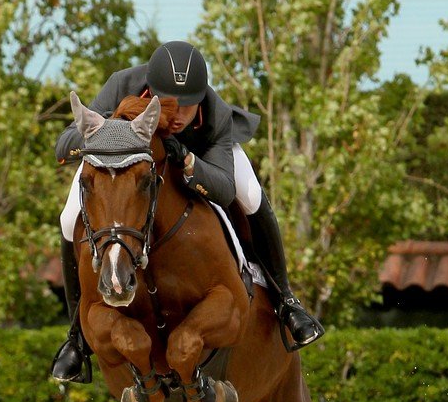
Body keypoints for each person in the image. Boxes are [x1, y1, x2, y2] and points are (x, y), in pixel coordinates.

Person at [50, 39, 325, 383]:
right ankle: (76, 337)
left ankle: (286, 301)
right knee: (68, 215)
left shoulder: (216, 117)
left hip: (204, 157)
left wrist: (190, 161)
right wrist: (109, 130)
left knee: (252, 195)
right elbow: (63, 146)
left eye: (188, 106)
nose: (177, 115)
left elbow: (224, 188)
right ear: (150, 92)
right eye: (168, 104)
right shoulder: (121, 85)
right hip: (121, 162)